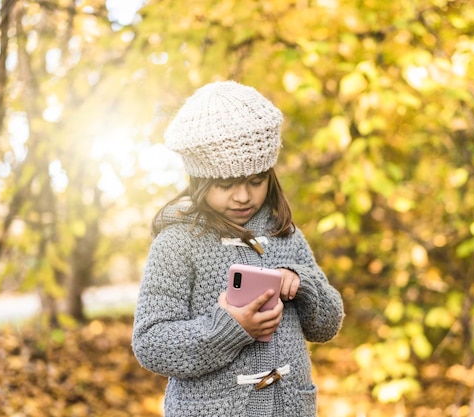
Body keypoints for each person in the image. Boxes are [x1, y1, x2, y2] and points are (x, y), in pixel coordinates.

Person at [132, 80, 345, 417]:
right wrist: (229, 329)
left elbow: (327, 325)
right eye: (226, 185)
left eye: (256, 181)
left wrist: (302, 282)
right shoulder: (176, 243)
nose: (243, 196)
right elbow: (151, 344)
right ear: (200, 181)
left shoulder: (285, 234)